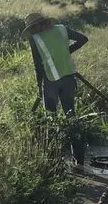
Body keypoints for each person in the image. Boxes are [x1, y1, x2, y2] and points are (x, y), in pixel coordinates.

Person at [21, 12, 89, 165]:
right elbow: (84, 39)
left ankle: (52, 159)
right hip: (68, 80)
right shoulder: (62, 29)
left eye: (32, 28)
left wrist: (40, 88)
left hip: (50, 82)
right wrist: (67, 51)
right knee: (71, 117)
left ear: (36, 26)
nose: (33, 31)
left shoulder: (35, 39)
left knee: (50, 119)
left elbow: (38, 66)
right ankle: (79, 158)